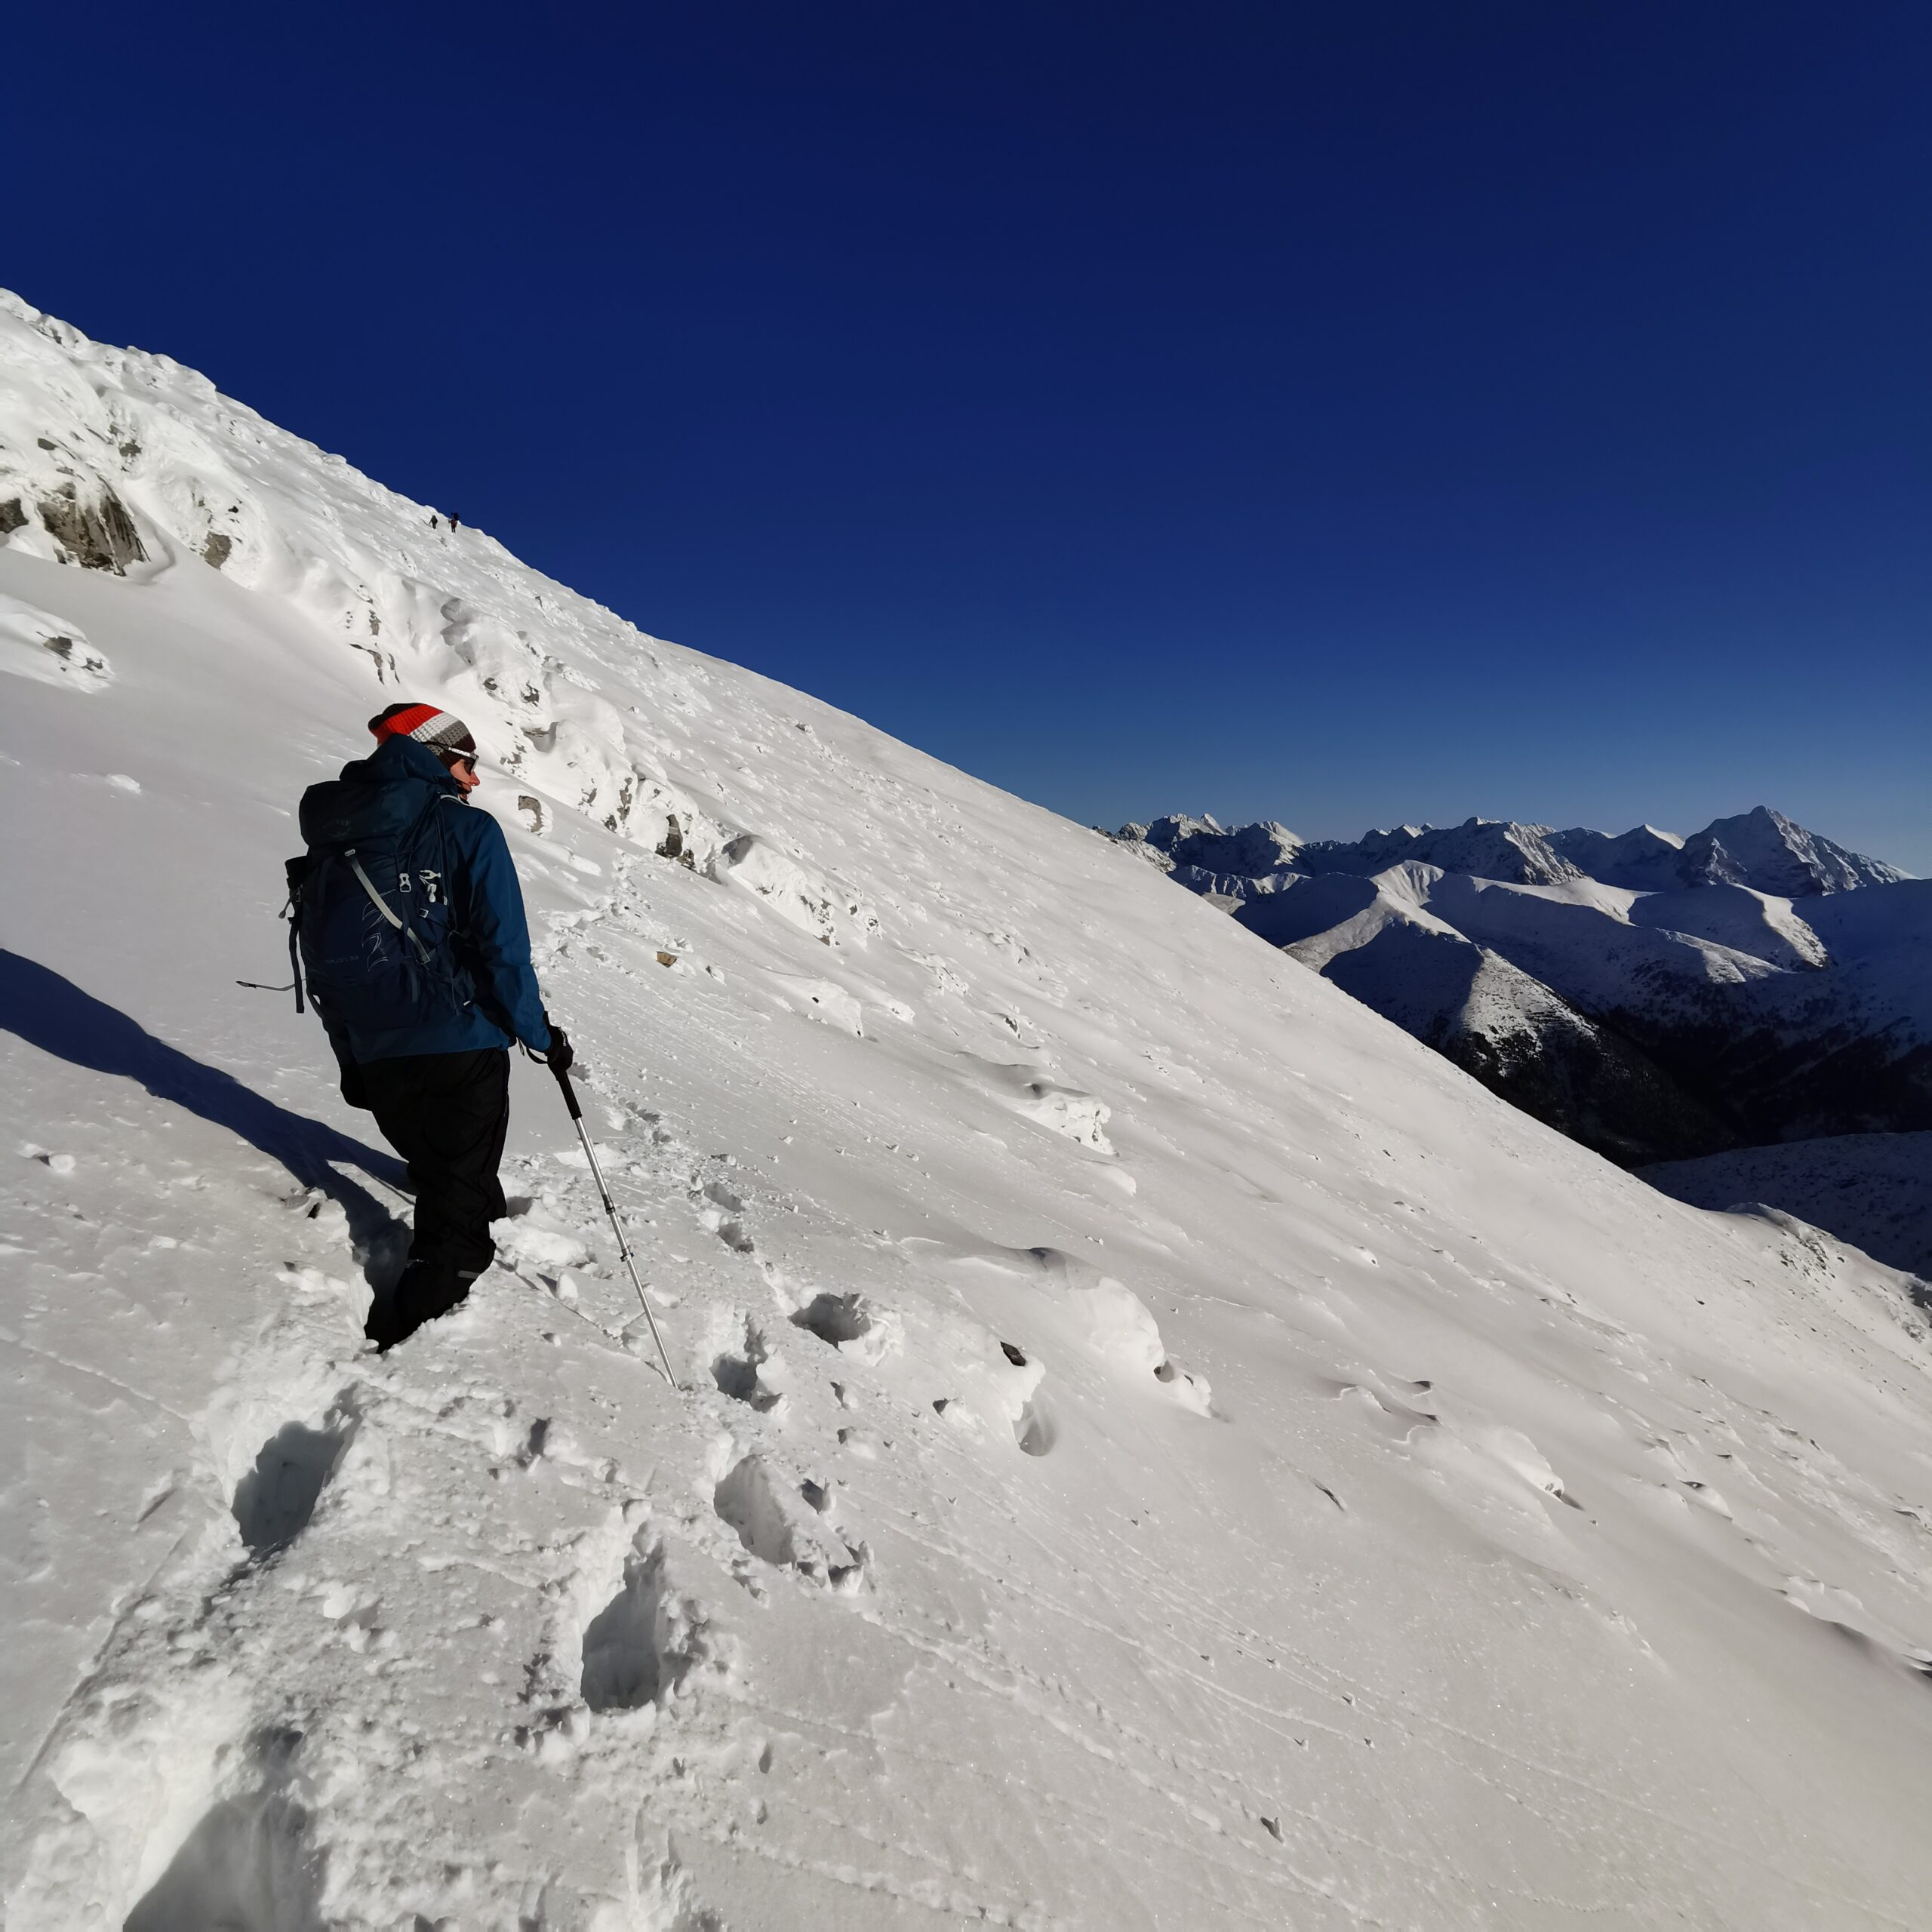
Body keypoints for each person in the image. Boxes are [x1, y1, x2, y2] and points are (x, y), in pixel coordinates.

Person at [296, 703, 570, 1349]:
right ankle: (421, 1334)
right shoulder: (465, 830)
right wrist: (540, 1035)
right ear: (431, 754)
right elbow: (505, 951)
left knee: (443, 1162)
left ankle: (469, 1206)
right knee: (454, 1224)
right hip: (459, 1042)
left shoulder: (337, 834)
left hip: (374, 1046)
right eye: (466, 761)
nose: (473, 778)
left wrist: (351, 1055)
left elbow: (323, 958)